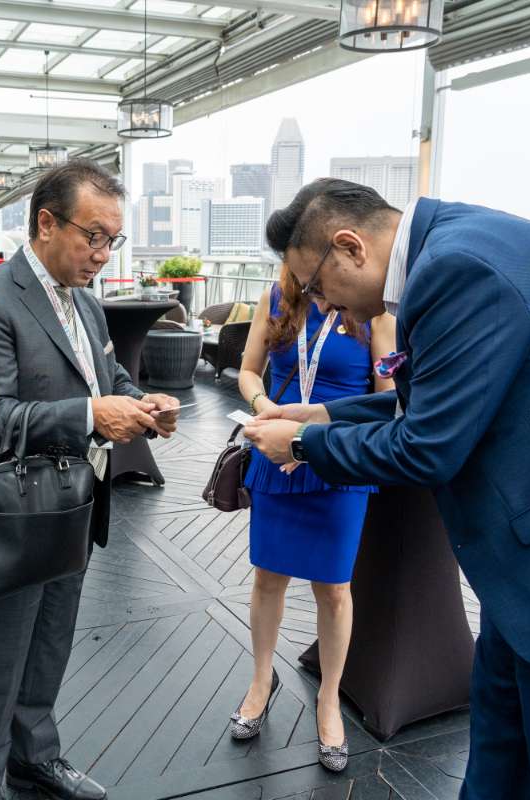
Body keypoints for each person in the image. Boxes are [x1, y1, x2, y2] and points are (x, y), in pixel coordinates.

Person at [243, 178, 530, 799]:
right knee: (500, 752)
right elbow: (432, 402)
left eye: (318, 288)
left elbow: (428, 447)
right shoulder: (452, 250)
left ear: (350, 247)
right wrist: (319, 416)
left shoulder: (457, 268)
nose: (329, 309)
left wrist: (300, 445)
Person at [0, 159, 181, 800]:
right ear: (46, 223)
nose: (103, 253)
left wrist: (142, 402)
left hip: (74, 501)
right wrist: (92, 416)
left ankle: (33, 758)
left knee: (49, 642)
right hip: (12, 510)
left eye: (112, 240)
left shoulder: (86, 304)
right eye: (93, 236)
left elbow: (107, 379)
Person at [230, 205, 394, 772]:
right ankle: (261, 681)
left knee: (334, 588)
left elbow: (387, 399)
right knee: (267, 576)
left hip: (339, 460)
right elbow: (247, 370)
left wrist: (317, 433)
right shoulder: (276, 298)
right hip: (274, 451)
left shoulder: (374, 311)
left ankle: (328, 699)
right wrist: (264, 407)